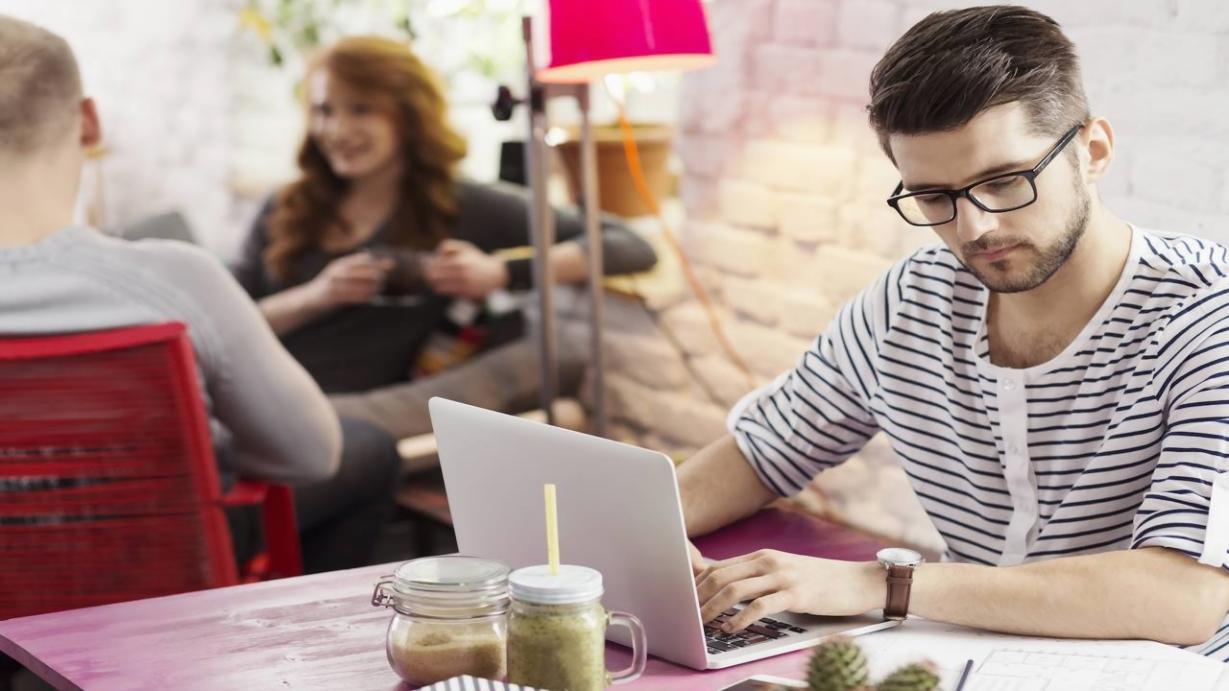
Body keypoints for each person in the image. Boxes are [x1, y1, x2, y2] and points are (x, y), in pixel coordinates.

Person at [681, 5, 1229, 659]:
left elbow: (1182, 597)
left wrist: (879, 583)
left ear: (1093, 151)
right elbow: (760, 452)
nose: (972, 229)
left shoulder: (1207, 320)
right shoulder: (906, 303)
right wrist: (651, 534)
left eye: (1003, 181)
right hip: (962, 659)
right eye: (934, 197)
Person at [0, 15, 398, 574]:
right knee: (367, 451)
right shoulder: (177, 280)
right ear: (89, 123)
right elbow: (308, 454)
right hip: (145, 577)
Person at [231, 36, 657, 439]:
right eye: (324, 111)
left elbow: (630, 244)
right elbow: (223, 325)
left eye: (361, 110)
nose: (337, 130)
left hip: (342, 420)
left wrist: (500, 271)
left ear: (407, 115)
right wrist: (317, 296)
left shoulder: (464, 205)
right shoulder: (285, 206)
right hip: (254, 396)